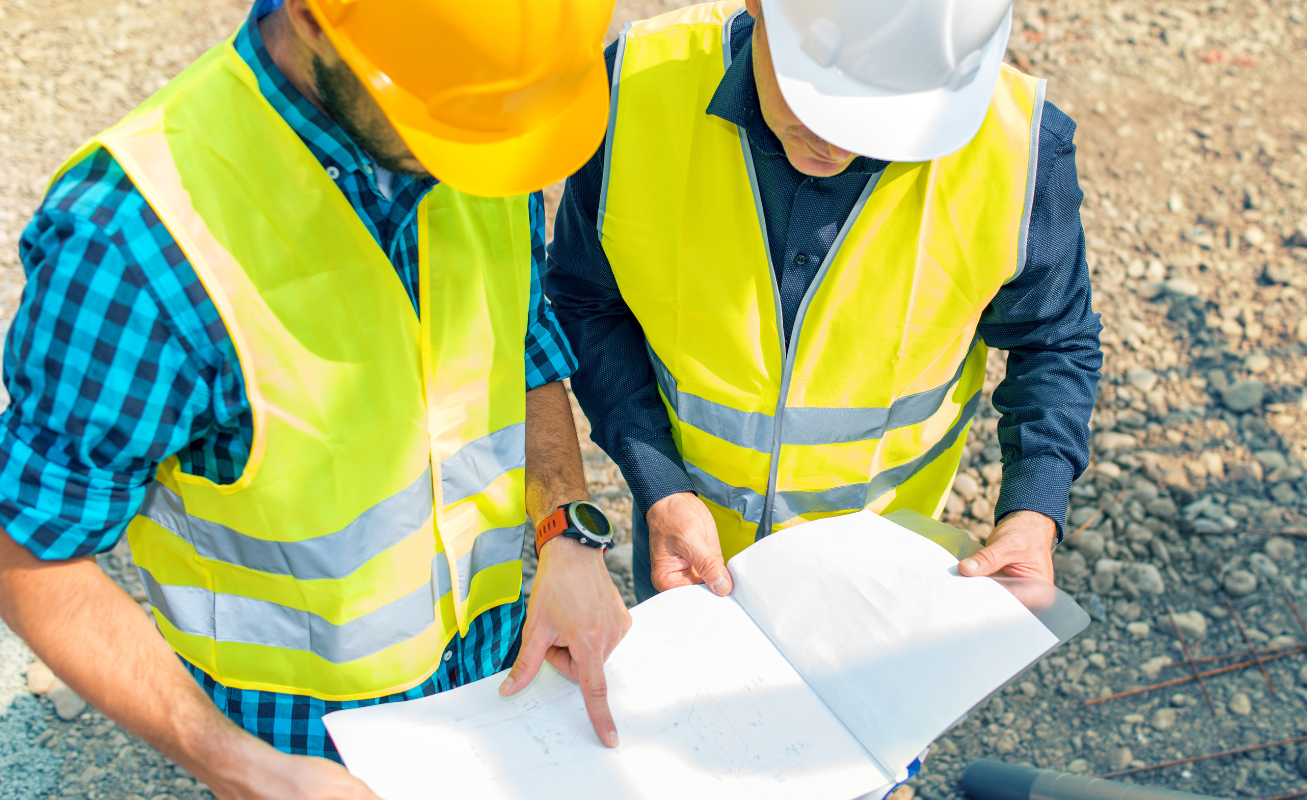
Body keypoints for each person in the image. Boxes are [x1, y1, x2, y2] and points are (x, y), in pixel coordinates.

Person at [0, 0, 630, 797]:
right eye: (451, 121)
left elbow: (523, 344)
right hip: (301, 747)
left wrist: (565, 528)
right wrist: (240, 768)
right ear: (312, 18)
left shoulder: (481, 121)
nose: (482, 157)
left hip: (499, 689)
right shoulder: (132, 242)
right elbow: (27, 547)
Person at [548, 0, 1103, 605]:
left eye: (882, 119)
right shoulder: (637, 90)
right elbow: (588, 302)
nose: (838, 144)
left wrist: (1032, 510)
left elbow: (1053, 341)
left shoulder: (1019, 148)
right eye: (820, 101)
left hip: (886, 574)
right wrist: (660, 485)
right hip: (685, 553)